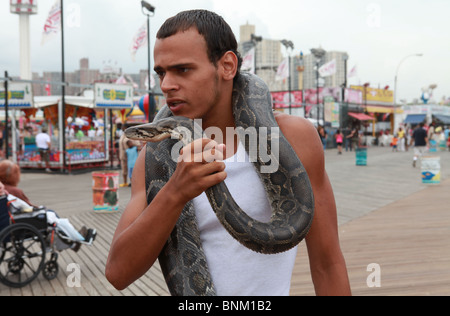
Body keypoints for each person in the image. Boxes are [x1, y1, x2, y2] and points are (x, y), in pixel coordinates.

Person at [106, 9, 351, 296]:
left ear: (227, 66)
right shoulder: (157, 155)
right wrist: (176, 192)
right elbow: (118, 273)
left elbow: (327, 264)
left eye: (182, 69)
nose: (166, 85)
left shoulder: (293, 138)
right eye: (161, 72)